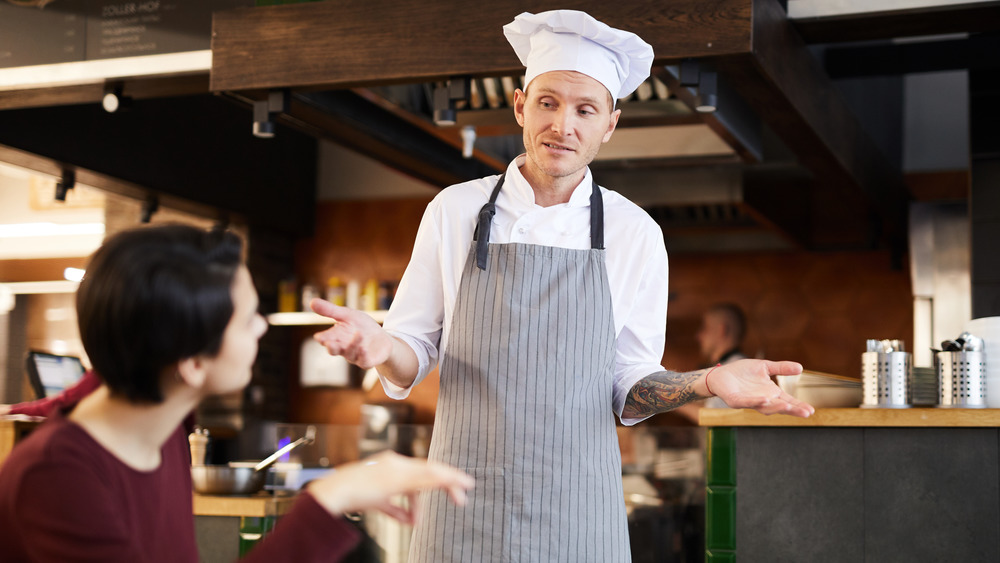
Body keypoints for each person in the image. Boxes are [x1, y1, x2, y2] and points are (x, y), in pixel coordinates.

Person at [309, 10, 813, 562]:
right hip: (462, 507)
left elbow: (630, 385)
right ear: (522, 105)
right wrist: (382, 346)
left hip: (580, 512)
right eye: (548, 103)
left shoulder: (635, 234)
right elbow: (414, 354)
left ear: (610, 124)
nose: (563, 125)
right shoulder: (454, 210)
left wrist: (710, 381)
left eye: (585, 109)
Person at [0, 225, 474, 562]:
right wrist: (332, 496)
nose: (262, 326)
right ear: (192, 363)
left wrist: (384, 345)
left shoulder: (160, 427)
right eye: (247, 318)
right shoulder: (57, 479)